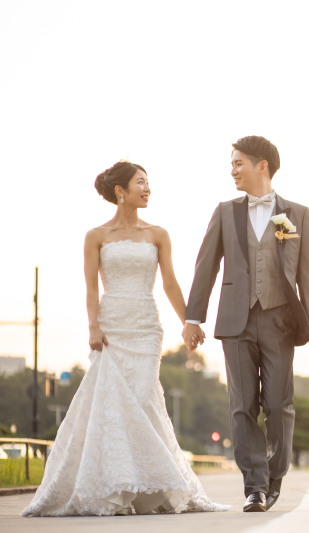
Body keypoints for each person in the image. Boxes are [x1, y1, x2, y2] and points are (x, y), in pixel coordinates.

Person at [21, 161, 229, 517]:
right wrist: (93, 327)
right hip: (111, 326)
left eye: (149, 183)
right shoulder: (96, 236)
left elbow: (170, 284)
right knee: (113, 404)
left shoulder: (158, 233)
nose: (147, 189)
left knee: (143, 400)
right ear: (121, 191)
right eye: (141, 183)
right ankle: (119, 487)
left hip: (147, 328)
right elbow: (90, 287)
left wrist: (189, 322)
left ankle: (153, 490)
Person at [183, 136, 309, 512]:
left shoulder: (298, 214)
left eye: (238, 163)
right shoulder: (225, 211)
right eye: (231, 164)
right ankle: (255, 487)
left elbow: (308, 274)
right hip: (235, 320)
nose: (232, 170)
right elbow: (206, 265)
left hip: (280, 319)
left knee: (279, 405)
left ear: (262, 165)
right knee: (242, 406)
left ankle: (275, 473)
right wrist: (192, 317)